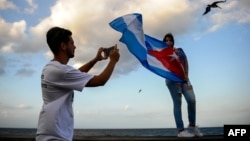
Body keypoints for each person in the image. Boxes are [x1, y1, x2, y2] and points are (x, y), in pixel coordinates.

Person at [36, 26, 120, 141]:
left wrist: (95, 60)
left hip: (49, 135)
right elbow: (101, 80)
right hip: (55, 137)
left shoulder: (51, 68)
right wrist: (113, 60)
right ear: (63, 46)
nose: (75, 46)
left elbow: (75, 74)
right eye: (72, 43)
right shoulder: (60, 71)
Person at [163, 33, 203, 138]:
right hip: (172, 80)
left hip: (184, 79)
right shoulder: (163, 54)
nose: (168, 42)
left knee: (192, 99)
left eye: (170, 40)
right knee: (178, 103)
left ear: (173, 41)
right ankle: (180, 131)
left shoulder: (179, 50)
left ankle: (192, 125)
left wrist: (186, 75)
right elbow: (164, 67)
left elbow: (185, 62)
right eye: (166, 41)